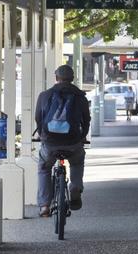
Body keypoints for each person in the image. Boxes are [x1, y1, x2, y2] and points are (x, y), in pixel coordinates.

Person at [35, 65, 90, 217]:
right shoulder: (80, 96)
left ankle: (45, 205)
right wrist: (82, 136)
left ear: (56, 78)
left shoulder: (45, 95)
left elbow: (38, 118)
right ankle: (75, 187)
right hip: (73, 143)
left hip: (50, 143)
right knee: (77, 162)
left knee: (44, 168)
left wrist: (42, 135)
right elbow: (86, 120)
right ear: (72, 79)